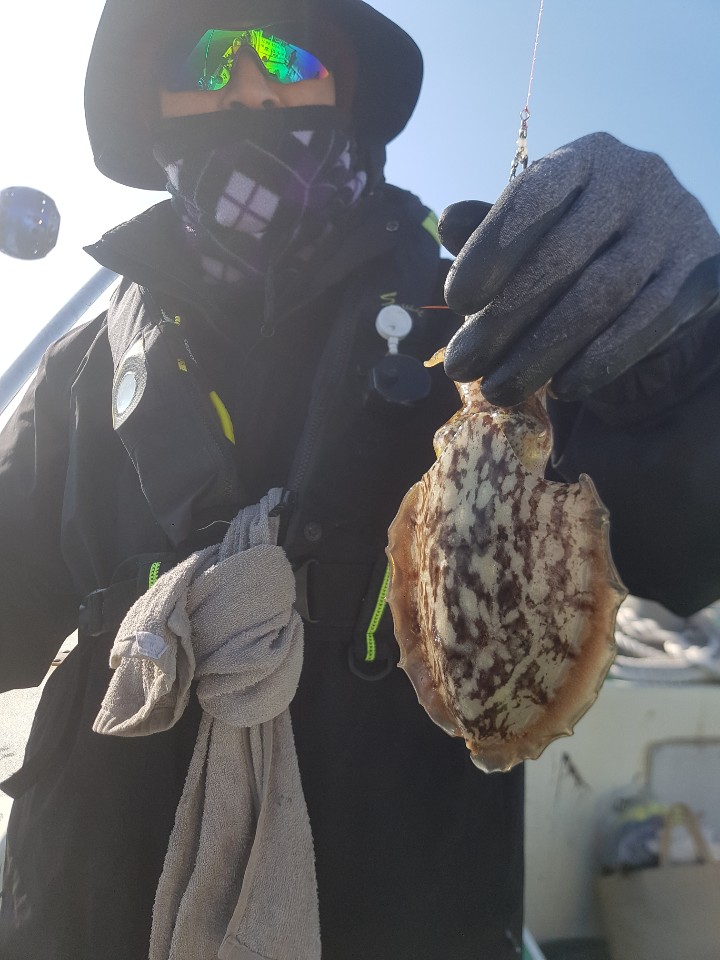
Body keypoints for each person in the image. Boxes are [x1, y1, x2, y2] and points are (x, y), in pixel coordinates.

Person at [1, 0, 719, 958]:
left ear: (344, 81)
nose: (250, 84)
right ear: (151, 103)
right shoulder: (81, 368)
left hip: (401, 909)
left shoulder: (499, 318)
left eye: (285, 54)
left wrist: (678, 354)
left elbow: (687, 542)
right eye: (204, 60)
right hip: (86, 913)